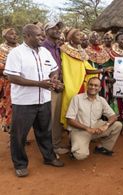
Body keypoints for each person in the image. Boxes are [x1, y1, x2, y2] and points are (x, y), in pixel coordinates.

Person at [4, 24, 64, 177]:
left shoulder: (44, 51)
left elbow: (54, 68)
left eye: (42, 35)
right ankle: (20, 164)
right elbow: (12, 77)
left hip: (44, 99)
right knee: (19, 135)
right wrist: (40, 84)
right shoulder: (16, 53)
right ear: (27, 36)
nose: (42, 37)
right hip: (24, 102)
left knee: (45, 131)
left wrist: (53, 78)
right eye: (38, 35)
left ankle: (49, 157)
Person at [66, 77, 122, 160]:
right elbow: (70, 120)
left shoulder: (101, 100)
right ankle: (73, 144)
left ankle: (102, 148)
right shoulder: (77, 98)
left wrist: (106, 125)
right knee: (80, 155)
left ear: (100, 88)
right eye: (91, 85)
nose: (93, 87)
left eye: (96, 85)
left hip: (95, 128)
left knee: (117, 125)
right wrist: (87, 128)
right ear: (87, 86)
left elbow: (113, 116)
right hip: (80, 130)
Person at [60, 28, 102, 129]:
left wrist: (102, 70)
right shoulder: (64, 50)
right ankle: (70, 132)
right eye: (78, 35)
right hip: (70, 83)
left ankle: (81, 130)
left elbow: (87, 69)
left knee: (80, 108)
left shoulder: (80, 51)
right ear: (70, 38)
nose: (82, 37)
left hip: (81, 83)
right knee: (70, 105)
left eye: (81, 35)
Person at [42, 21, 69, 155]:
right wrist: (54, 84)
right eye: (54, 28)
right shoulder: (42, 48)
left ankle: (55, 144)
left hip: (58, 87)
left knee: (56, 118)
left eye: (59, 28)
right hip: (47, 88)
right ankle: (50, 148)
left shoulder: (57, 47)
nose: (58, 30)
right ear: (46, 31)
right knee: (49, 119)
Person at [0, 28, 18, 132]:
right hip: (5, 83)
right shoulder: (1, 49)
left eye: (15, 34)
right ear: (4, 36)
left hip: (20, 83)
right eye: (11, 34)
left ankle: (17, 131)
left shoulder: (21, 48)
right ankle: (8, 128)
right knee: (6, 106)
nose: (14, 36)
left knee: (18, 106)